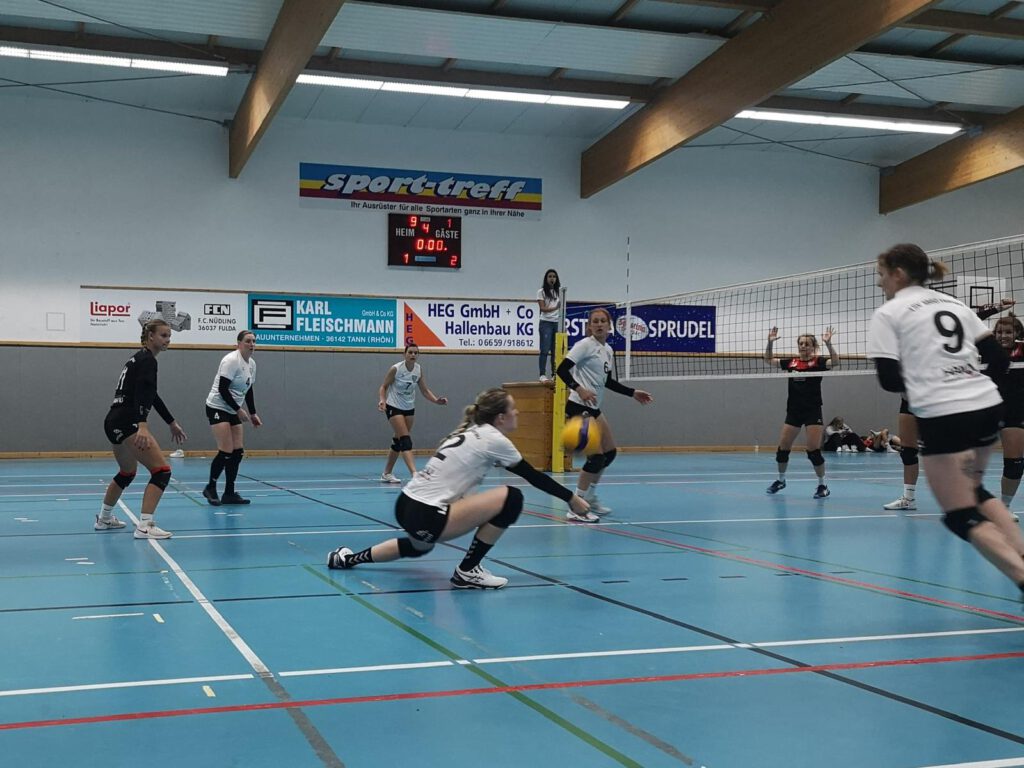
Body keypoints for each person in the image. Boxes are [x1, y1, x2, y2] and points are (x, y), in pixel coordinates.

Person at [868, 243, 1024, 599]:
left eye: (881, 275)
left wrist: (936, 383)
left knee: (959, 514)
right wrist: (968, 383)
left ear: (898, 274)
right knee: (976, 491)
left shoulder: (889, 314)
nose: (880, 284)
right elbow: (999, 360)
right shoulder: (955, 305)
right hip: (988, 405)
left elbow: (890, 380)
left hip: (944, 413)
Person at [327, 387, 591, 589]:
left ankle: (347, 559)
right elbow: (533, 476)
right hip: (427, 514)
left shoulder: (469, 432)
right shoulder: (494, 439)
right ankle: (468, 569)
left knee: (419, 546)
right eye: (513, 409)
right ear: (500, 417)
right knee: (512, 498)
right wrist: (571, 499)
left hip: (406, 504)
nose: (518, 413)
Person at [884, 300, 1015, 513]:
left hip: (936, 394)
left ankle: (967, 497)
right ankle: (908, 498)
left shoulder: (935, 323)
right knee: (908, 450)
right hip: (909, 397)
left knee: (950, 452)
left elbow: (966, 319)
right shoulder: (895, 334)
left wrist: (995, 308)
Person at [556, 307, 653, 522]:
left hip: (593, 407)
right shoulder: (584, 346)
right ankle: (576, 506)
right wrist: (579, 388)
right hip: (577, 404)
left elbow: (607, 382)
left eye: (603, 321)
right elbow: (561, 369)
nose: (599, 325)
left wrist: (632, 393)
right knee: (596, 456)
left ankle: (589, 497)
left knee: (609, 454)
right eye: (595, 321)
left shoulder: (607, 350)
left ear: (610, 326)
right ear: (590, 326)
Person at [98, 319, 187, 539]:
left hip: (113, 420)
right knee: (162, 471)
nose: (168, 340)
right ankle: (145, 525)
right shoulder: (148, 360)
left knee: (127, 472)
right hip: (128, 421)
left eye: (169, 336)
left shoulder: (137, 358)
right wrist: (142, 424)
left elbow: (151, 395)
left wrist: (171, 421)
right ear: (150, 337)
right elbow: (142, 393)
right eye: (163, 336)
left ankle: (104, 518)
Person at [763, 326, 838, 498]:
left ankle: (822, 485)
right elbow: (768, 359)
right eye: (801, 343)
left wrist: (828, 344)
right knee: (782, 449)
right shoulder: (791, 362)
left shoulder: (819, 362)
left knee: (813, 451)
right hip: (794, 411)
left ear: (813, 346)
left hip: (812, 411)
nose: (803, 346)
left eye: (807, 343)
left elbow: (835, 362)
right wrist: (769, 342)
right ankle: (781, 480)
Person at [203, 330, 261, 506]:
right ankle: (210, 488)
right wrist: (238, 409)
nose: (252, 344)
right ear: (239, 343)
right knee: (226, 450)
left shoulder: (251, 364)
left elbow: (248, 389)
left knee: (237, 451)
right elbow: (222, 388)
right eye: (248, 341)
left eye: (254, 341)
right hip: (218, 406)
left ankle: (229, 492)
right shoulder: (230, 361)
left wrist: (252, 413)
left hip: (233, 409)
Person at [378, 343, 447, 483]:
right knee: (405, 439)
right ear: (405, 354)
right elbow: (383, 386)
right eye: (410, 352)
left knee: (398, 441)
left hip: (409, 407)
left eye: (416, 353)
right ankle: (415, 474)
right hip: (393, 406)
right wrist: (382, 400)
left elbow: (424, 390)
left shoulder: (418, 369)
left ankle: (386, 473)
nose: (413, 355)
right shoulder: (396, 369)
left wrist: (436, 400)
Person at [989, 314, 1024, 522]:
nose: (1003, 336)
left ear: (1018, 334)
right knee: (968, 460)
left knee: (1015, 462)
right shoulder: (987, 350)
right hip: (986, 410)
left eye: (1008, 332)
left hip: (1015, 412)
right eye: (1000, 332)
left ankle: (1004, 506)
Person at [537, 268, 561, 383]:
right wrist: (555, 308)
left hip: (556, 322)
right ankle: (542, 374)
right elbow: (542, 308)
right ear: (546, 279)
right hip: (546, 322)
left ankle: (554, 373)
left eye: (554, 277)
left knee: (555, 350)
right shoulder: (541, 292)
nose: (552, 279)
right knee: (545, 350)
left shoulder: (559, 292)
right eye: (550, 276)